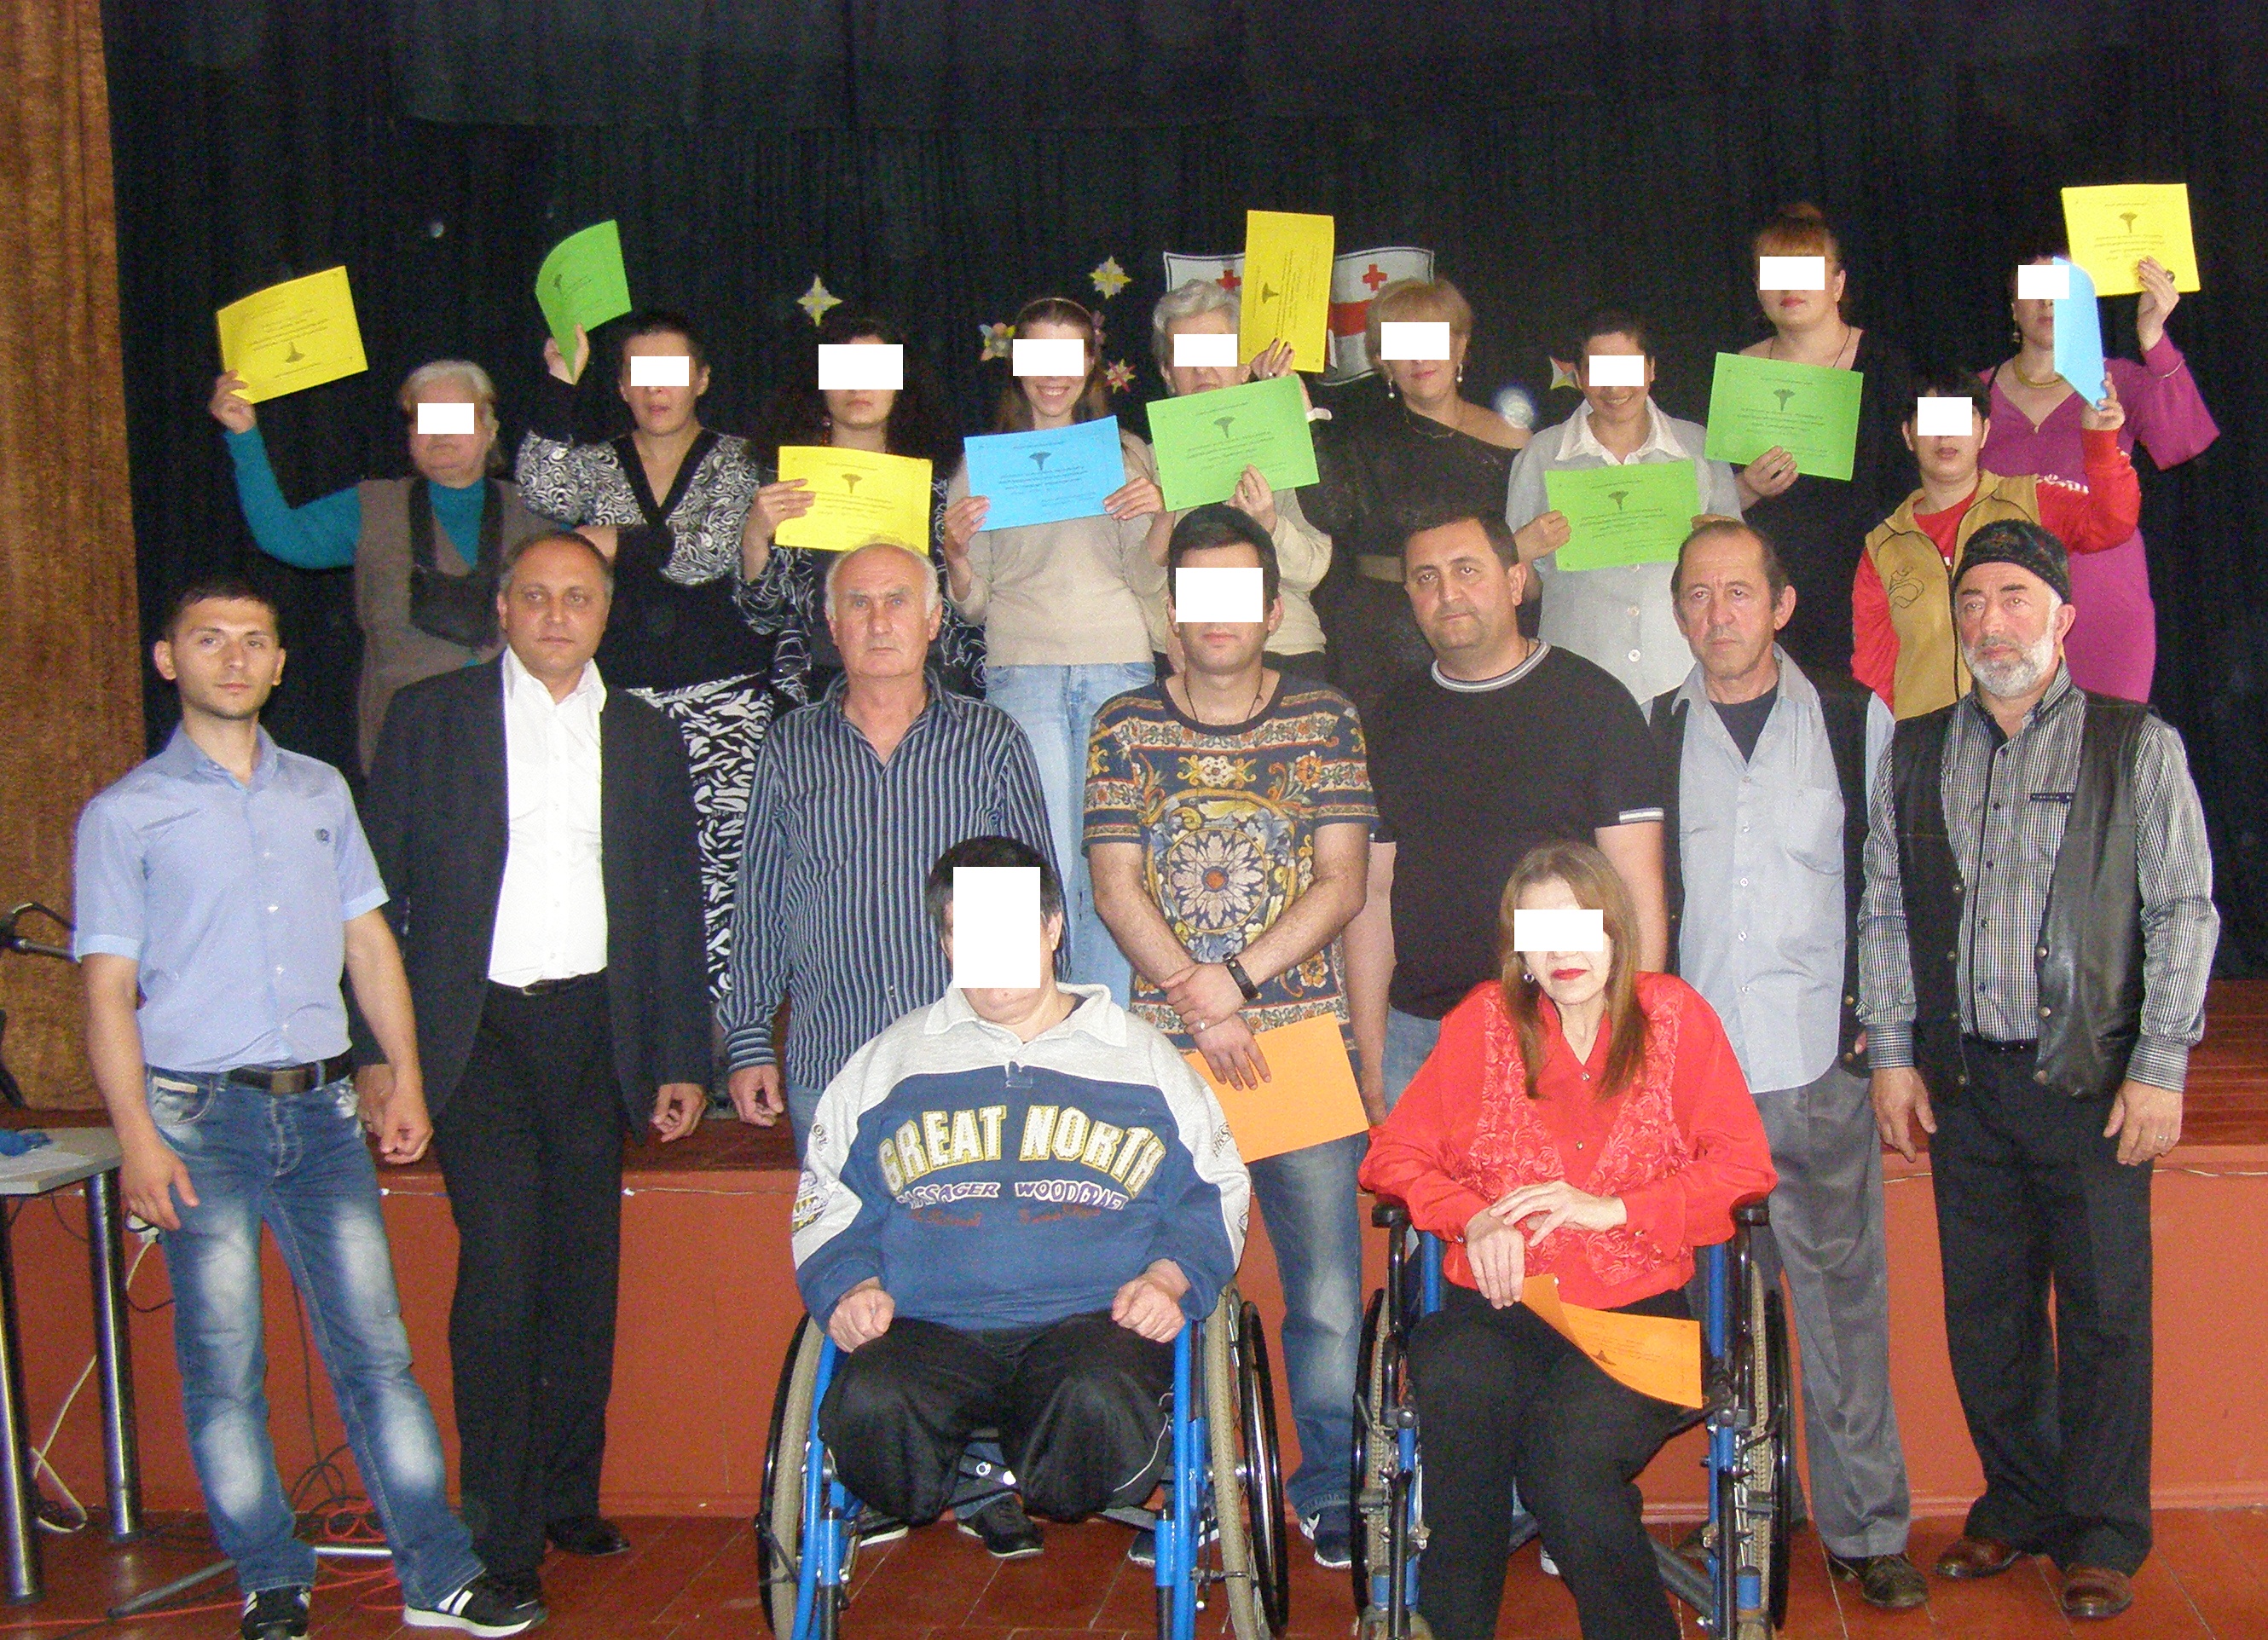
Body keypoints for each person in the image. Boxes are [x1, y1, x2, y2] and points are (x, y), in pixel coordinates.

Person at [73, 577, 540, 1640]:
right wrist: (138, 1138)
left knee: (377, 1353)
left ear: (282, 664)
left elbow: (368, 943)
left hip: (324, 1113)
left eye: (254, 640)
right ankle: (270, 1577)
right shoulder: (125, 813)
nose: (234, 658)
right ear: (168, 660)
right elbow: (105, 991)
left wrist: (404, 1074)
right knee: (224, 1366)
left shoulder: (322, 791)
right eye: (208, 640)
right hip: (198, 1120)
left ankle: (437, 1572)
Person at [1860, 520, 2218, 1620]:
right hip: (1964, 1084)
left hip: (2092, 1083)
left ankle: (2102, 1532)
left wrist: (2159, 1065)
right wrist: (1892, 1054)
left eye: (2014, 596)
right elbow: (1884, 906)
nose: (1990, 621)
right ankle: (2017, 1501)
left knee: (2105, 1317)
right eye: (1971, 601)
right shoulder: (1913, 750)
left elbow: (2183, 908)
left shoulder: (2133, 743)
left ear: (2062, 616)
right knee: (1987, 1312)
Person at [358, 531, 712, 1607]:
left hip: (595, 1029)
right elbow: (366, 898)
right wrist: (377, 1057)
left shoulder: (643, 733)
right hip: (475, 1035)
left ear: (604, 613)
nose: (558, 615)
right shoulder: (430, 718)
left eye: (579, 597)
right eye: (537, 596)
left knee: (582, 1275)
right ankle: (500, 1533)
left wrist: (679, 1055)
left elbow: (672, 903)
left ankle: (566, 1492)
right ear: (502, 609)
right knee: (503, 1270)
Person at [1361, 841, 1778, 1640]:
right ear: (1519, 950)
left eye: (1580, 925)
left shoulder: (1673, 1018)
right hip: (1501, 1304)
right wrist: (1473, 1217)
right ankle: (1451, 1627)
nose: (1562, 951)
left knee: (1568, 1464)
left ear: (1616, 930)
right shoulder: (1484, 1022)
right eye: (1539, 932)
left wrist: (1614, 1209)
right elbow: (1393, 1157)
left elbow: (1743, 1167)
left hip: (1636, 1311)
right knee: (1457, 1387)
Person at [792, 835, 1251, 1560]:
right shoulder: (889, 1062)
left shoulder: (1142, 1058)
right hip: (926, 1326)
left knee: (1098, 1399)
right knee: (872, 1403)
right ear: (946, 943)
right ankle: (944, 1482)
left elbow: (1215, 1188)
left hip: (1093, 1325)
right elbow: (825, 1195)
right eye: (966, 933)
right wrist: (849, 1285)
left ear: (1052, 929)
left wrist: (1171, 1278)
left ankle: (1032, 1480)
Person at [1086, 504, 1374, 1567]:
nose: (1214, 616)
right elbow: (1113, 886)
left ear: (1270, 609)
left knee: (1327, 1294)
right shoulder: (1122, 723)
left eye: (1235, 594)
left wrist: (1236, 983)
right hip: (1164, 1055)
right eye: (1194, 594)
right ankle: (1184, 1482)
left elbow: (1342, 883)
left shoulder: (1326, 717)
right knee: (1162, 1282)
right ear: (1170, 612)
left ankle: (1332, 1485)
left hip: (1299, 1042)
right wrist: (1198, 1001)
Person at [1650, 521, 1923, 1611]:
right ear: (1677, 612)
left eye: (1737, 592)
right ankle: (1758, 1504)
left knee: (1842, 1310)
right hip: (1699, 1084)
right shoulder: (1651, 731)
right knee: (1725, 1315)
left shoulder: (1856, 722)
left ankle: (1868, 1530)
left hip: (1820, 1065)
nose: (1717, 613)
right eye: (1697, 594)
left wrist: (1881, 1035)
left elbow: (1894, 889)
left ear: (1780, 605)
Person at [724, 539, 1057, 1154]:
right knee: (838, 1223)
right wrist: (747, 1040)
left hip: (970, 1066)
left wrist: (1042, 1042)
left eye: (897, 602)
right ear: (832, 626)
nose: (879, 622)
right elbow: (761, 903)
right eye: (859, 603)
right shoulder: (791, 746)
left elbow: (1033, 908)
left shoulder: (989, 741)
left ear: (932, 621)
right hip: (831, 1065)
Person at [1344, 512, 1667, 1122]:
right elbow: (1375, 891)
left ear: (1516, 582)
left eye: (1467, 570)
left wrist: (1628, 1037)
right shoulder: (1389, 721)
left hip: (1560, 1027)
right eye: (1426, 577)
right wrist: (1373, 1052)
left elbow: (1637, 884)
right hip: (1424, 1034)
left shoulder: (1594, 704)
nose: (1448, 593)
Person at [516, 309, 770, 985]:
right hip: (616, 700)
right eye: (641, 375)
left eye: (673, 372)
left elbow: (705, 555)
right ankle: (631, 1022)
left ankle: (719, 1030)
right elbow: (542, 487)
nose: (658, 390)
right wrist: (560, 384)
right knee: (617, 862)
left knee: (722, 874)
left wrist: (614, 541)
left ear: (702, 380)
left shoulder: (742, 460)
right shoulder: (598, 462)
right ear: (623, 386)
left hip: (723, 700)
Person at [942, 296, 1170, 1001]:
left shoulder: (1126, 455)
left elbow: (1144, 578)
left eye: (1068, 356)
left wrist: (1161, 514)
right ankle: (1038, 1016)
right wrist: (954, 554)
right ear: (1016, 363)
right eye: (1037, 354)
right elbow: (974, 604)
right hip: (1023, 671)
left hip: (1116, 663)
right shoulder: (981, 466)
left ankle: (1103, 1023)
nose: (1052, 374)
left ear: (1091, 363)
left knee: (1111, 858)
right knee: (1040, 862)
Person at [209, 360, 552, 771]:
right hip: (407, 747)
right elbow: (282, 536)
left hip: (519, 741)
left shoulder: (538, 511)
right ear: (410, 434)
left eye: (456, 417)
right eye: (427, 419)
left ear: (489, 429)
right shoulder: (373, 507)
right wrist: (244, 435)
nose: (441, 432)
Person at [1982, 246, 2219, 701]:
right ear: (2013, 307)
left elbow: (2184, 439)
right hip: (2004, 610)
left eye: (2062, 290)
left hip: (2105, 602)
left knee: (2108, 740)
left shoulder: (2116, 381)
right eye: (2036, 289)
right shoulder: (1972, 393)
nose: (2048, 302)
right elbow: (1930, 469)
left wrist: (2152, 336)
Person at [1854, 363, 2138, 720]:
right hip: (1929, 739)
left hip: (2034, 732)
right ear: (1908, 436)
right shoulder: (1884, 544)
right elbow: (1873, 667)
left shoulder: (2030, 500)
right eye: (1931, 421)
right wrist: (1889, 741)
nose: (1945, 435)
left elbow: (2113, 523)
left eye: (1959, 419)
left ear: (1985, 432)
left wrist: (2101, 443)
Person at [1305, 276, 1527, 727]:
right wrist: (1300, 413)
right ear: (1383, 361)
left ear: (1460, 346)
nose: (1419, 358)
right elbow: (1330, 513)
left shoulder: (1516, 440)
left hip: (1483, 631)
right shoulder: (1358, 438)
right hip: (1379, 643)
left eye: (1432, 341)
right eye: (1402, 345)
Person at [740, 307, 986, 704]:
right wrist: (754, 539)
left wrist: (955, 556)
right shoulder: (786, 476)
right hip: (813, 687)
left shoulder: (941, 478)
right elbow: (761, 618)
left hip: (925, 683)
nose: (858, 386)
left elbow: (966, 614)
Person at [1504, 307, 1745, 703]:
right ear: (1579, 377)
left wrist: (1724, 539)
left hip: (1683, 672)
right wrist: (1522, 551)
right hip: (1579, 675)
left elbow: (1739, 574)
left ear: (1651, 369)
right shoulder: (1541, 455)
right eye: (1599, 371)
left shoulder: (1697, 447)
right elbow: (1524, 590)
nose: (1615, 387)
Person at [1725, 204, 1917, 674]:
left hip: (1867, 587)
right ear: (1758, 289)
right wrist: (1746, 488)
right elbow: (1710, 502)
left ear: (1837, 284)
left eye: (1805, 271)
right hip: (1766, 593)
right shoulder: (1737, 370)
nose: (1790, 288)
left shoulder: (1888, 365)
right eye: (1775, 274)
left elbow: (1914, 484)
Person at [1148, 280, 1334, 679]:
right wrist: (1167, 627)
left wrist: (1269, 524)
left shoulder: (1285, 445)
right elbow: (1135, 576)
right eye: (1186, 355)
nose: (1202, 369)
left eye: (1216, 352)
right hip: (1185, 653)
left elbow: (1314, 569)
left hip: (1283, 646)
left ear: (1244, 365)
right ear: (1167, 372)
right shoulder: (1146, 462)